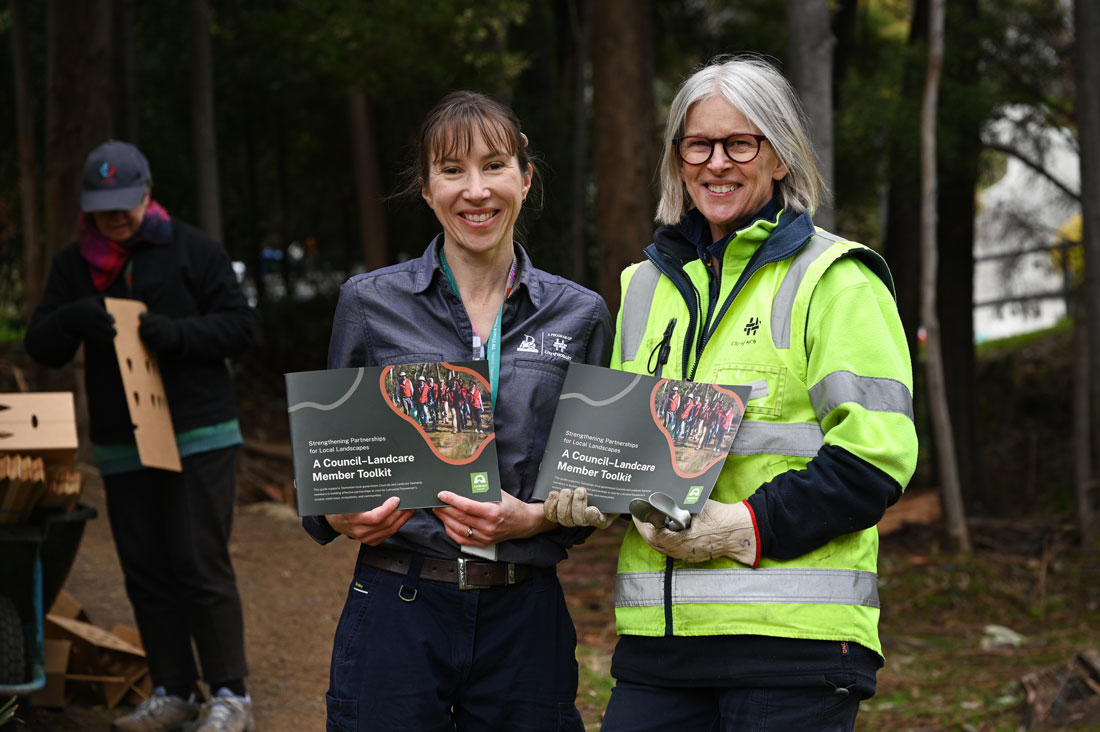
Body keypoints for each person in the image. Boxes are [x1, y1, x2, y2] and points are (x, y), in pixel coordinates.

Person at [544, 55, 918, 731]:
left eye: (740, 143)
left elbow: (875, 460)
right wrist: (592, 494)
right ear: (677, 160)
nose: (716, 163)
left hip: (790, 647)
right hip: (659, 649)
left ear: (781, 156)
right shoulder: (643, 288)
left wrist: (742, 528)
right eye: (698, 145)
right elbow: (631, 458)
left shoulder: (837, 280)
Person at [303, 90, 613, 732]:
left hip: (524, 617)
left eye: (494, 165)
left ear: (525, 179)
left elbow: (597, 490)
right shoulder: (369, 304)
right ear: (426, 189)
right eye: (452, 170)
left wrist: (532, 519)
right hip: (397, 605)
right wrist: (339, 512)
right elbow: (327, 478)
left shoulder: (579, 314)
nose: (476, 190)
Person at [24, 140, 257, 732]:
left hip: (198, 432)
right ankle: (173, 690)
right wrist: (72, 317)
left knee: (197, 559)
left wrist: (178, 335)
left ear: (147, 193)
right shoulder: (74, 265)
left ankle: (231, 694)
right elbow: (42, 345)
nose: (115, 216)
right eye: (103, 206)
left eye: (124, 202)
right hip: (122, 441)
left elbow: (240, 326)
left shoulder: (193, 249)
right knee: (145, 567)